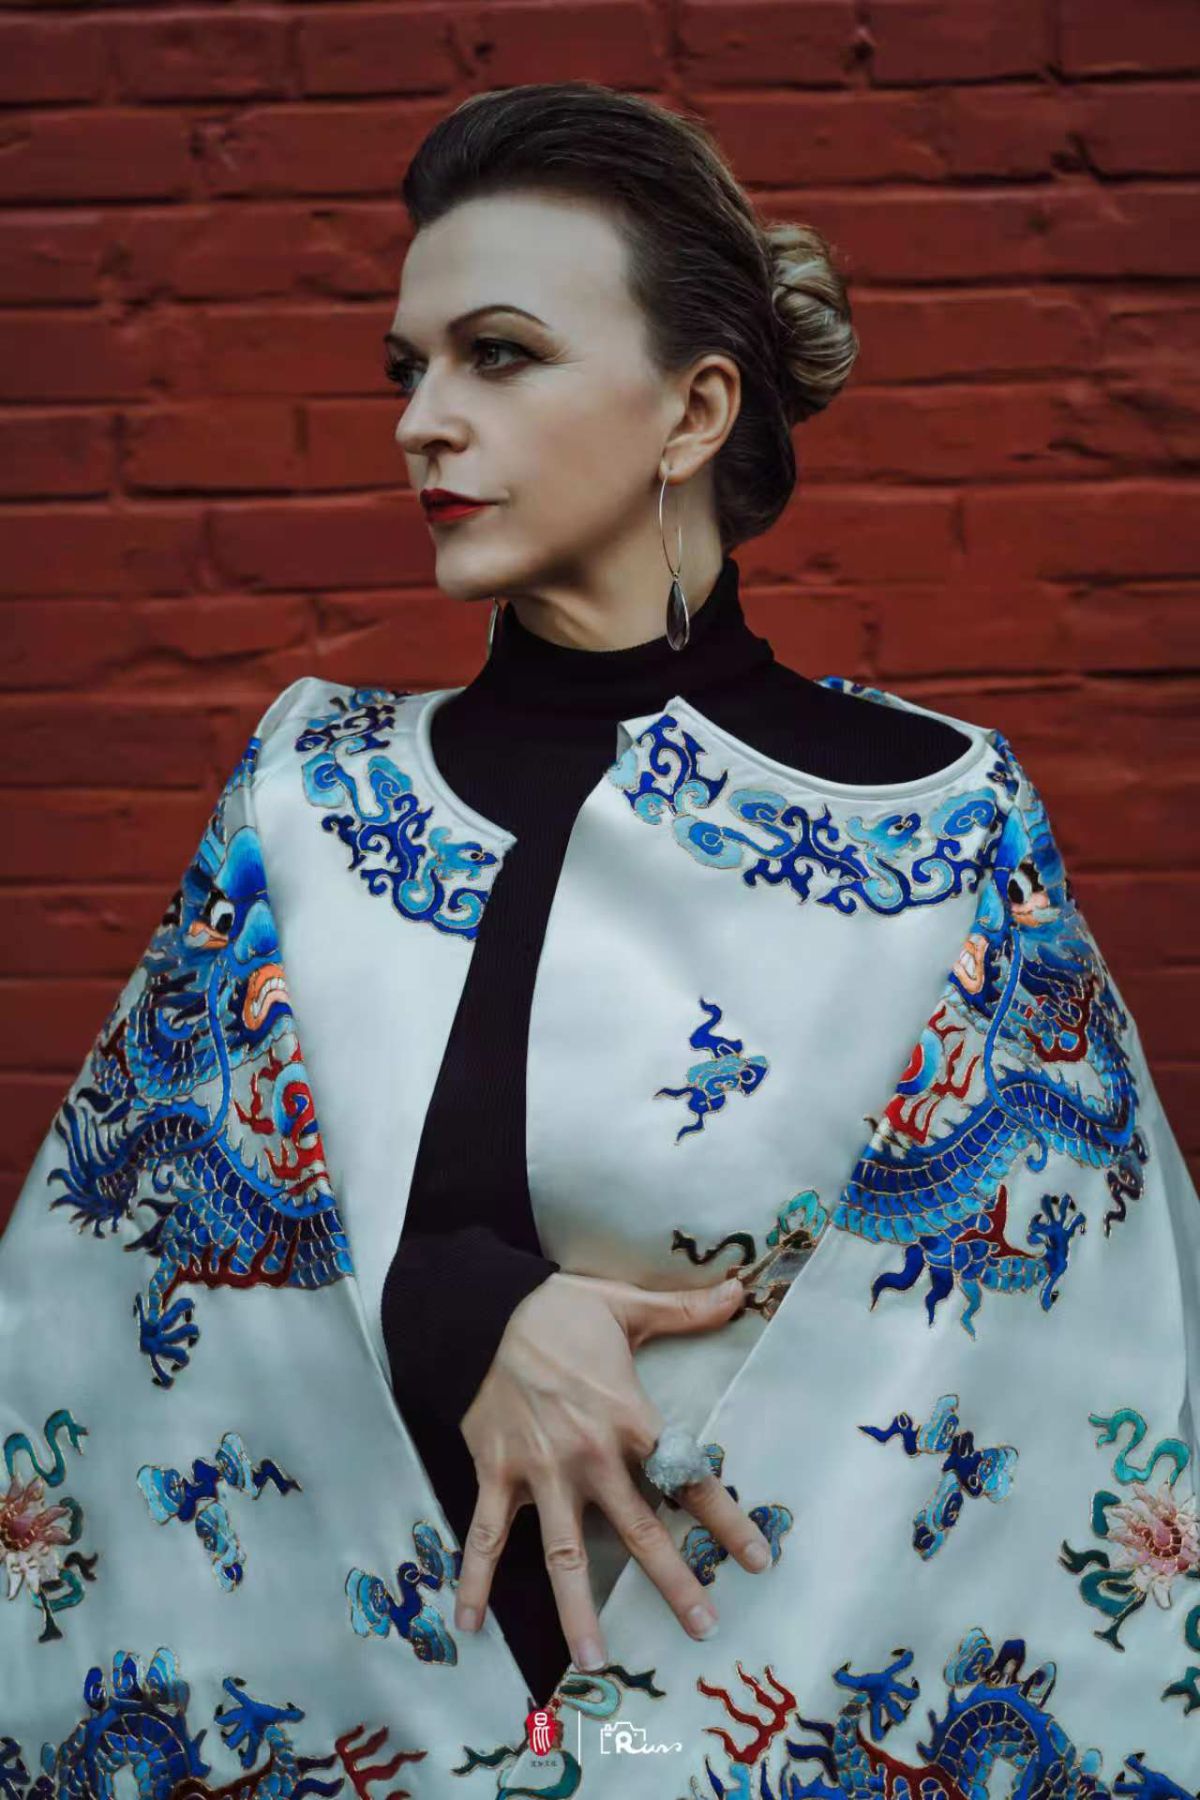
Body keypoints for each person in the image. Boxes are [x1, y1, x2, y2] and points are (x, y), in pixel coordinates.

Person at [2, 80, 1196, 1799]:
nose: (422, 422)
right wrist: (464, 1306)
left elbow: (1067, 1367)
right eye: (407, 367)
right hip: (356, 1722)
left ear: (692, 409)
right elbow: (116, 1287)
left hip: (776, 1709)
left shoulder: (939, 822)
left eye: (497, 356)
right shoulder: (306, 799)